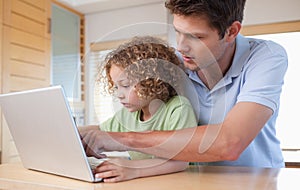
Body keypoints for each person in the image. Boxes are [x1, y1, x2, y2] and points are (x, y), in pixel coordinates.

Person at [81, 0, 288, 168]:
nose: (181, 46)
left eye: (197, 36)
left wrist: (121, 139)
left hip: (257, 180)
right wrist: (73, 133)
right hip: (196, 181)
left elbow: (229, 143)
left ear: (232, 32)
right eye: (178, 32)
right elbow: (120, 124)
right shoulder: (177, 64)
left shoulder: (265, 57)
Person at [85, 36, 198, 182]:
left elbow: (181, 162)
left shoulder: (178, 109)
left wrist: (133, 168)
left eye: (125, 85)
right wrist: (69, 130)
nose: (119, 95)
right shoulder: (128, 115)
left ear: (152, 80)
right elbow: (99, 129)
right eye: (116, 87)